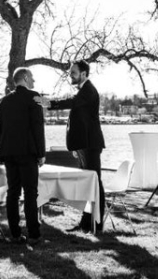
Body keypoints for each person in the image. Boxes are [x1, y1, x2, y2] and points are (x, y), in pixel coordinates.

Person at [50, 60, 105, 233]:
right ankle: (86, 223)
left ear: (83, 73)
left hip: (90, 145)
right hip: (83, 145)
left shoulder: (88, 90)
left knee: (95, 183)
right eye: (70, 72)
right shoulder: (83, 90)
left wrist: (50, 103)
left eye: (73, 72)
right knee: (87, 184)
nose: (70, 75)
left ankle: (97, 225)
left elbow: (72, 102)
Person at [0, 67, 46, 245]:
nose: (34, 81)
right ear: (24, 78)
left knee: (13, 193)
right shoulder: (34, 97)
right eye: (32, 77)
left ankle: (15, 234)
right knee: (31, 193)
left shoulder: (3, 101)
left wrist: (1, 150)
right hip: (27, 152)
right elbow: (38, 127)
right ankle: (34, 234)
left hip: (9, 152)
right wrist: (41, 153)